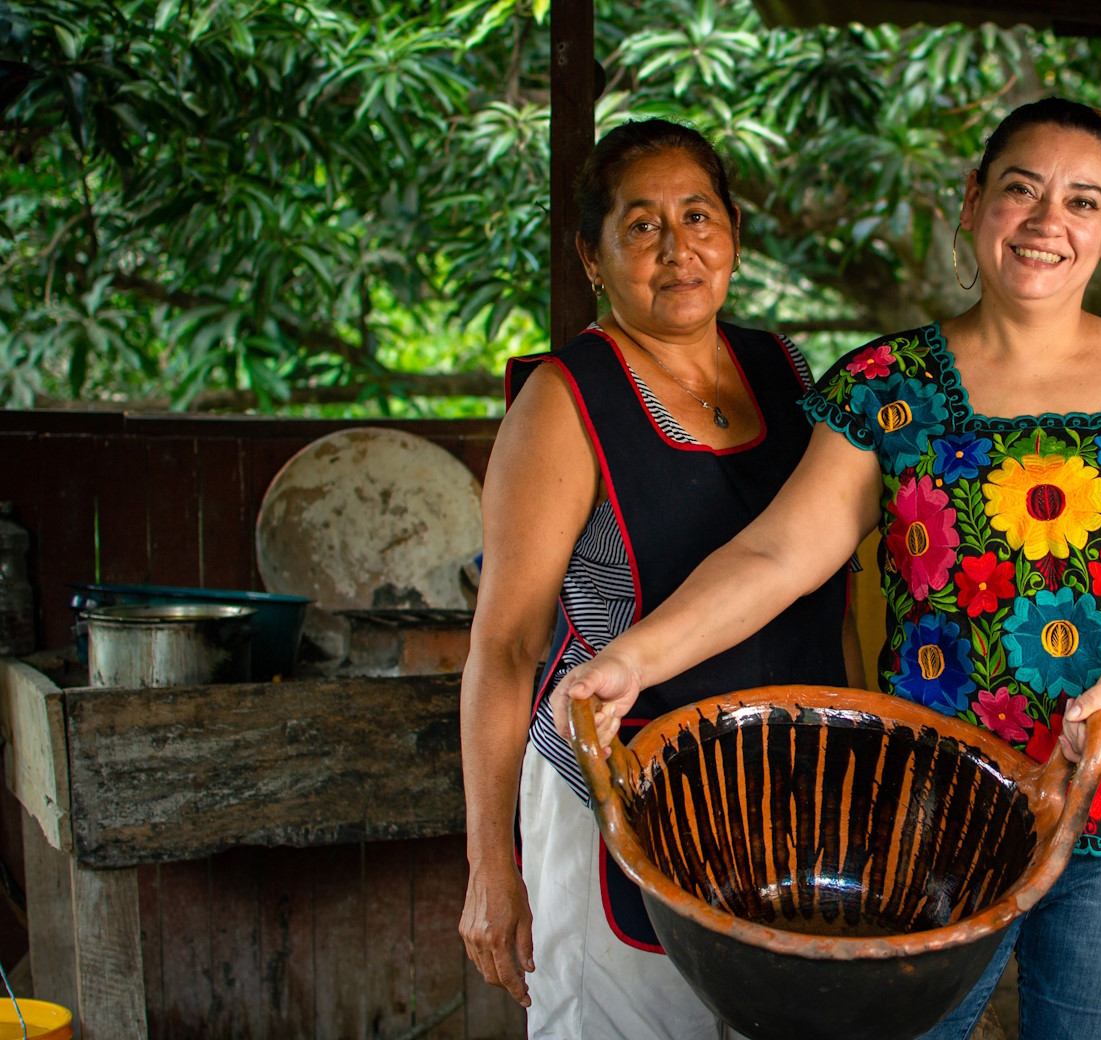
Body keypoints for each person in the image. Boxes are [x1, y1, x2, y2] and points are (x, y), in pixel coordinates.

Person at [553, 98, 1101, 1040]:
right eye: (1021, 190)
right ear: (972, 203)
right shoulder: (889, 385)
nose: (1049, 223)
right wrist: (633, 659)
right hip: (929, 816)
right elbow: (779, 553)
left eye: (1082, 201)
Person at [458, 117, 863, 1040]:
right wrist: (492, 862)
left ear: (731, 234)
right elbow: (506, 645)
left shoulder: (784, 371)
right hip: (620, 798)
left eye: (699, 217)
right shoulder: (567, 399)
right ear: (592, 258)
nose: (678, 250)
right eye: (642, 226)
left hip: (786, 795)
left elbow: (823, 593)